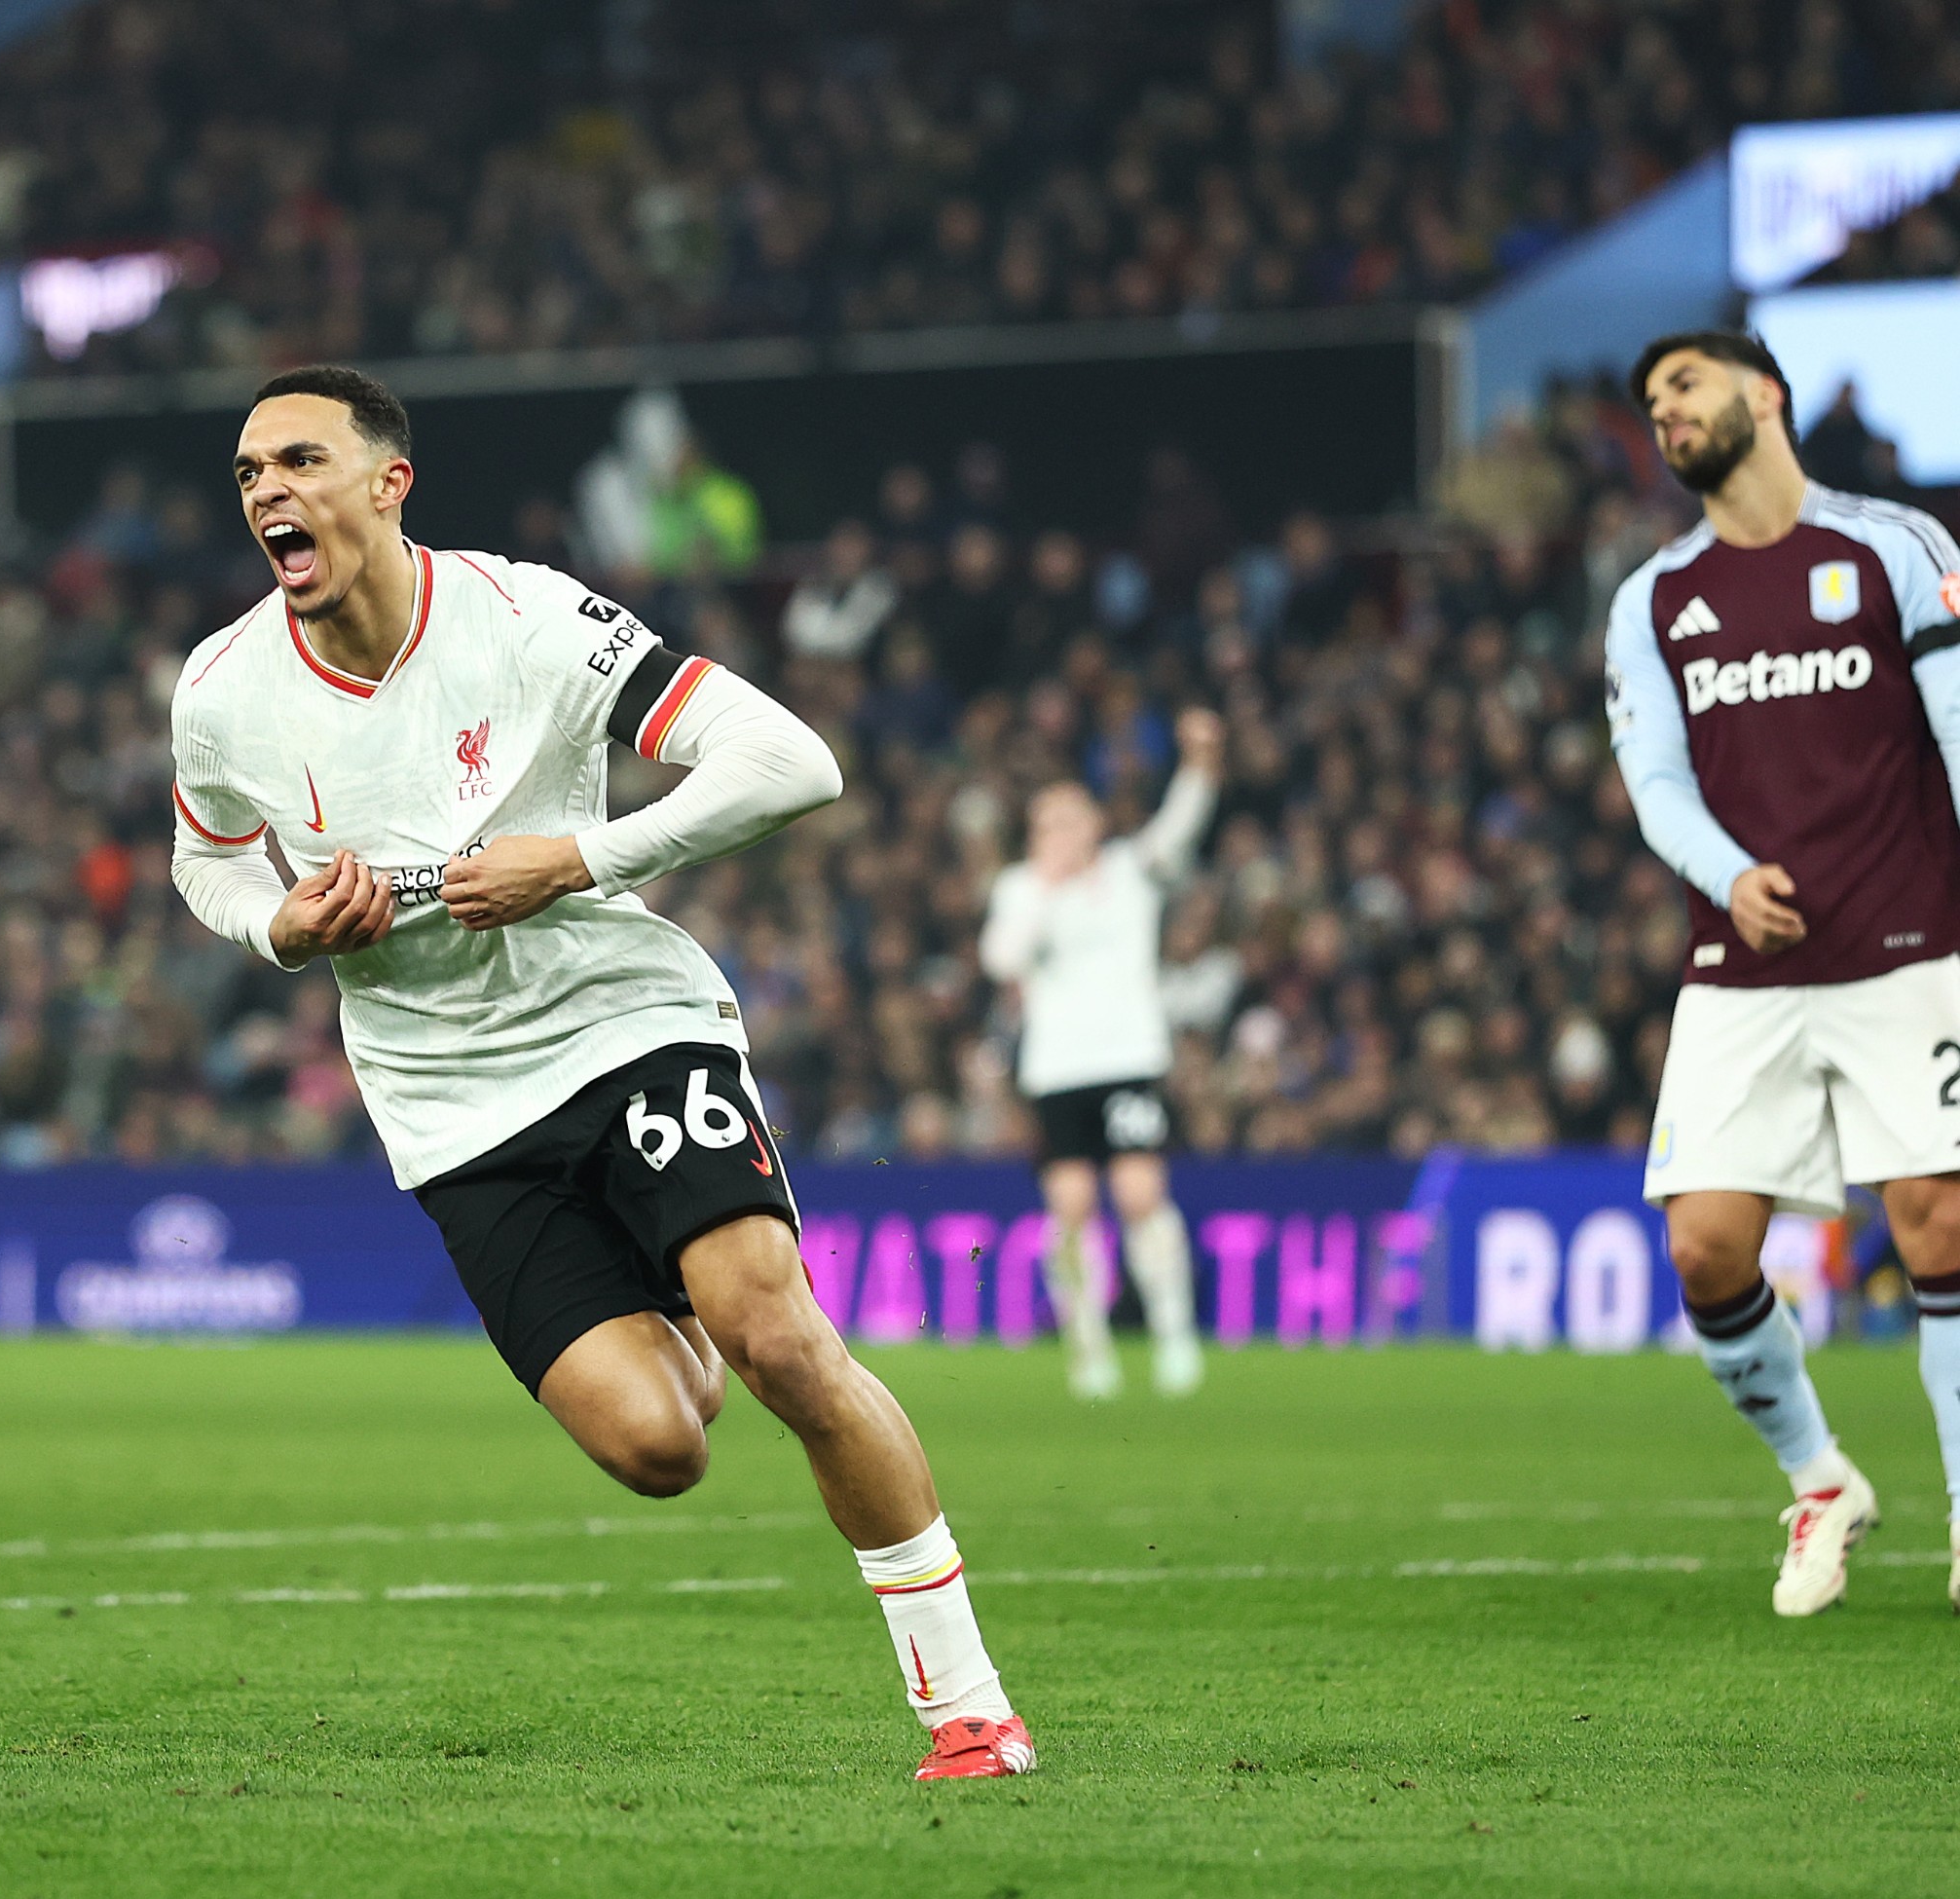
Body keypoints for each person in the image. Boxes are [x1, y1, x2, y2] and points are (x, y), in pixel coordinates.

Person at [169, 365, 1036, 1781]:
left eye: (299, 459)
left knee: (773, 1335)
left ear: (390, 481)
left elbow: (789, 760)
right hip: (448, 1100)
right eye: (250, 471)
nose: (266, 488)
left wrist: (580, 855)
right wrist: (281, 925)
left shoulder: (528, 620)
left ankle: (970, 1710)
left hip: (623, 1022)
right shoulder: (220, 691)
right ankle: (667, 1295)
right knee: (658, 1444)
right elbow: (204, 860)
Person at [1603, 328, 1960, 1617]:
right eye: (1652, 403)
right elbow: (1655, 784)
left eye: (1685, 386)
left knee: (1941, 1217)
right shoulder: (1654, 597)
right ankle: (1821, 1479)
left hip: (1911, 942)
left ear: (1766, 395)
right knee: (1704, 1248)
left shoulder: (1894, 547)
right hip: (1743, 962)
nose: (1667, 413)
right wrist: (1731, 875)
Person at [981, 714, 1221, 1401]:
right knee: (1071, 1209)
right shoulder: (1022, 890)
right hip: (1056, 1071)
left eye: (1071, 819)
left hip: (1126, 1059)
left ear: (1093, 824)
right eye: (1048, 824)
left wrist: (1202, 761)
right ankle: (1089, 1347)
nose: (1061, 833)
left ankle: (1175, 1335)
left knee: (1141, 1195)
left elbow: (1181, 824)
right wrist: (1049, 889)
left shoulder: (1129, 871)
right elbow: (1001, 958)